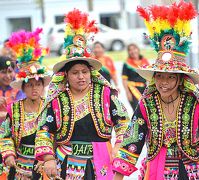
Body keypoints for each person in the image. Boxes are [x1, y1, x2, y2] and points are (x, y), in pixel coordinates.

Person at [113, 1, 199, 179]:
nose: (163, 82)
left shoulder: (193, 103)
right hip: (158, 171)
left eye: (171, 76)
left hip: (195, 172)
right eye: (159, 76)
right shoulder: (147, 104)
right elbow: (133, 141)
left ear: (180, 79)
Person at [34, 9, 129, 180]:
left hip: (102, 160)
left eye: (84, 72)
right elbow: (44, 130)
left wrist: (119, 145)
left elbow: (122, 122)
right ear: (66, 75)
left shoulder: (105, 94)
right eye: (75, 72)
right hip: (66, 162)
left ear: (90, 73)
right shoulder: (58, 100)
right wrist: (48, 158)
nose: (80, 77)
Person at [0, 28, 51, 179]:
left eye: (38, 85)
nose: (34, 89)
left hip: (45, 166)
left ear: (43, 86)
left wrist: (49, 159)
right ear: (23, 87)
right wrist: (9, 154)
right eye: (29, 85)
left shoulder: (50, 108)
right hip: (19, 166)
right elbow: (5, 135)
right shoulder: (14, 108)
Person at [0, 56, 25, 178]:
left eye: (10, 71)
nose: (7, 76)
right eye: (3, 72)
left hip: (13, 141)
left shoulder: (20, 89)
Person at [122, 43, 149, 111]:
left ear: (138, 49)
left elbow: (149, 76)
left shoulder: (144, 61)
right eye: (130, 50)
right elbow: (124, 79)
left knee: (147, 109)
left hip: (144, 89)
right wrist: (127, 92)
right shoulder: (127, 63)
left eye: (134, 48)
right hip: (133, 89)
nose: (133, 51)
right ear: (128, 52)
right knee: (137, 109)